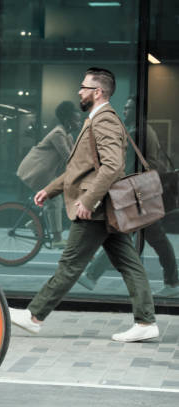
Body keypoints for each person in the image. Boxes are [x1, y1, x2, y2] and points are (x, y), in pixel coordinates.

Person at [9, 68, 158, 342]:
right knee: (129, 263)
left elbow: (113, 166)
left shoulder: (105, 121)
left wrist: (88, 201)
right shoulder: (95, 120)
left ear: (97, 92)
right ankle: (146, 321)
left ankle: (34, 316)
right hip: (101, 207)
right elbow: (80, 168)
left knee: (70, 264)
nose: (79, 91)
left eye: (84, 87)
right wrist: (49, 190)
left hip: (94, 209)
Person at [77, 96, 179, 297]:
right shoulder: (145, 130)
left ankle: (173, 282)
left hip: (141, 192)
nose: (124, 110)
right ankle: (92, 275)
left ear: (138, 111)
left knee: (132, 234)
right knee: (137, 235)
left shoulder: (137, 132)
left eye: (128, 107)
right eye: (124, 107)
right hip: (143, 191)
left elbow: (125, 166)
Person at [16, 101, 80, 247]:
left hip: (45, 173)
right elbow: (69, 158)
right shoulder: (58, 134)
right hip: (36, 171)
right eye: (76, 120)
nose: (79, 122)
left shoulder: (67, 135)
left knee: (53, 201)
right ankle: (57, 239)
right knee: (55, 199)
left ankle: (35, 223)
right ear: (68, 120)